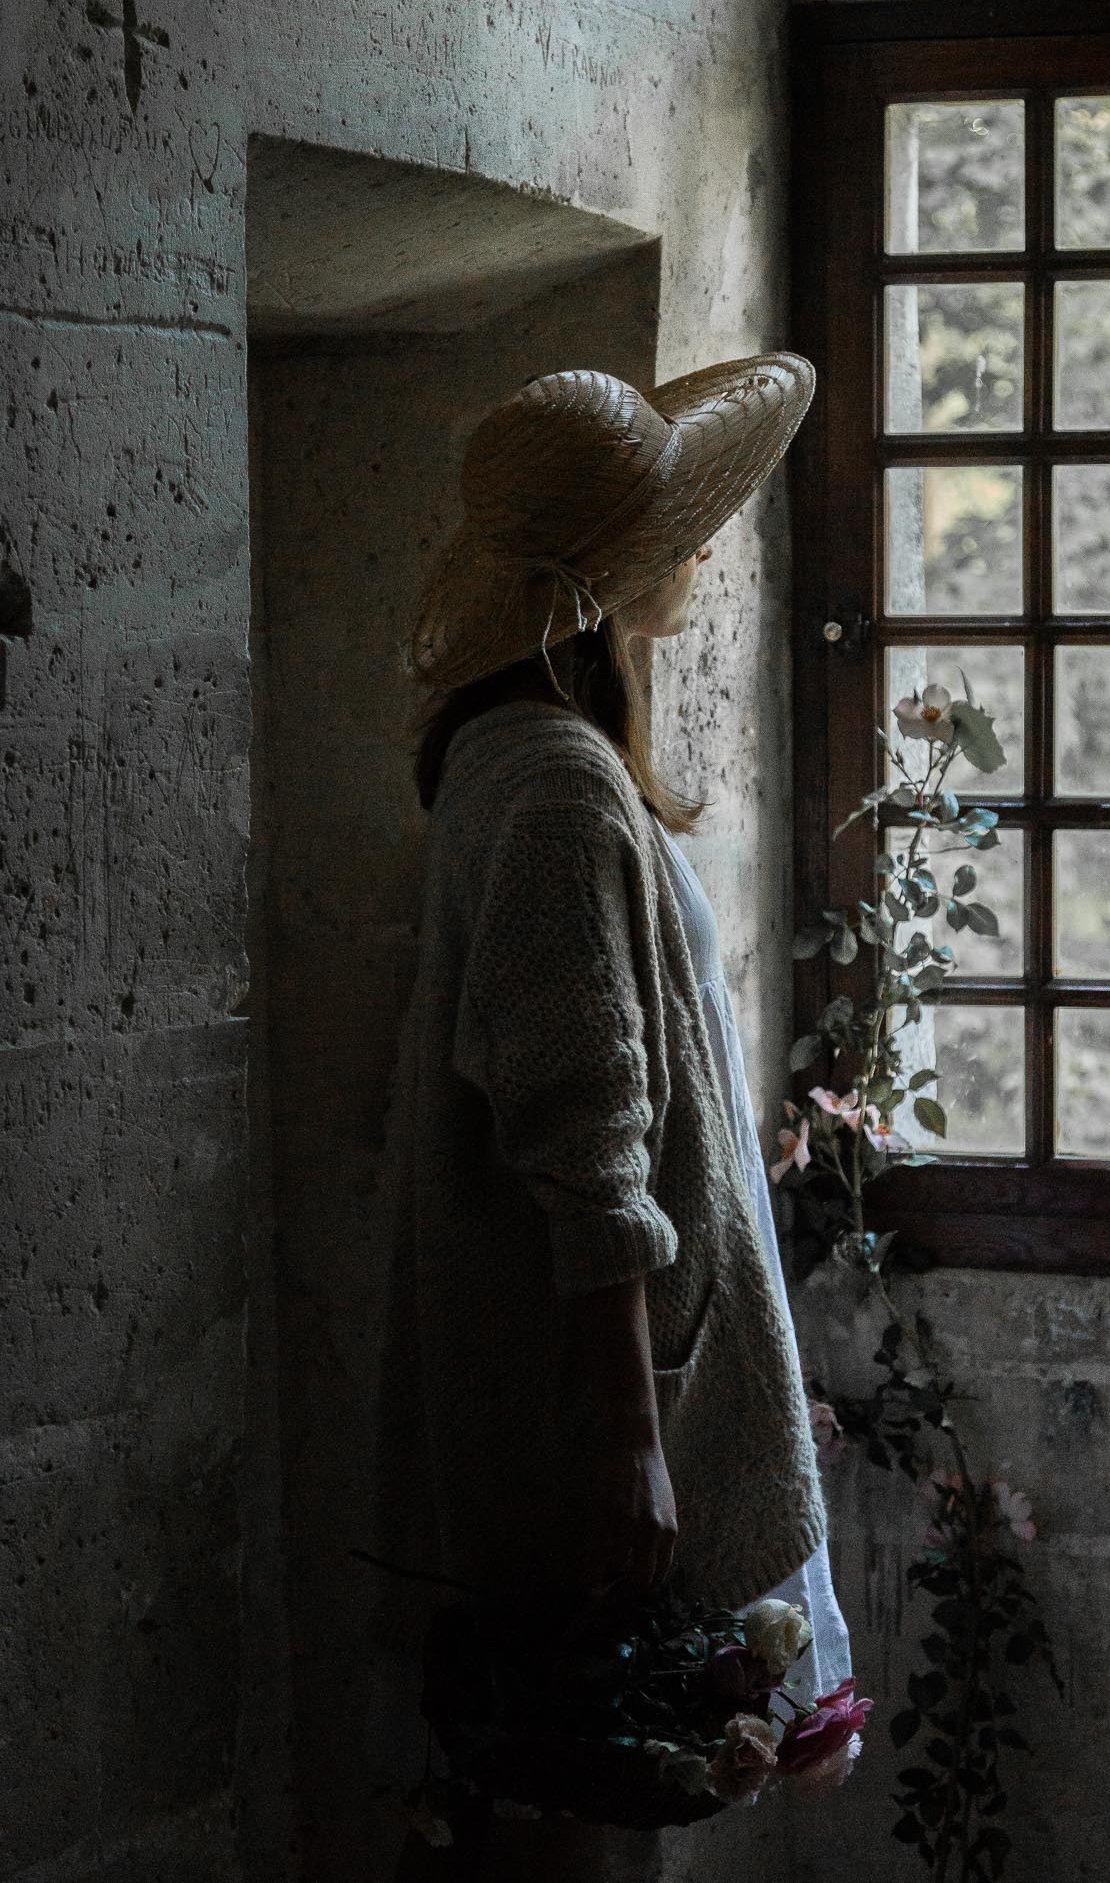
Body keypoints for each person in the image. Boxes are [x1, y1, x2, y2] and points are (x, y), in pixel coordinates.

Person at [370, 356, 851, 1882]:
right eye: (678, 530)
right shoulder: (562, 791)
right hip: (587, 1425)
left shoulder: (509, 763)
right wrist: (632, 1445)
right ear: (609, 581)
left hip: (566, 1401)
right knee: (595, 1818)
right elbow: (588, 1142)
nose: (701, 554)